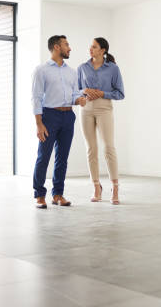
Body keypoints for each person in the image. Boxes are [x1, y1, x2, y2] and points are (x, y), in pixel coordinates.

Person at [31, 35, 86, 209]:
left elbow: (75, 93)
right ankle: (39, 195)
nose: (69, 48)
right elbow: (36, 98)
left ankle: (58, 194)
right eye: (66, 44)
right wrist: (39, 124)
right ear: (56, 47)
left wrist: (79, 100)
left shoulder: (72, 72)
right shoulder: (41, 70)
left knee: (62, 158)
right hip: (49, 117)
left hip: (68, 116)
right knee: (44, 157)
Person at [77, 37, 124, 204]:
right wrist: (85, 90)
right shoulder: (82, 68)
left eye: (94, 47)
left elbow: (120, 93)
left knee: (109, 147)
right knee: (91, 149)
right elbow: (76, 91)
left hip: (104, 109)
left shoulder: (113, 69)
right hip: (86, 110)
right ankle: (96, 186)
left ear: (103, 50)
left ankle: (115, 186)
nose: (90, 49)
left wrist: (103, 93)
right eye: (90, 46)